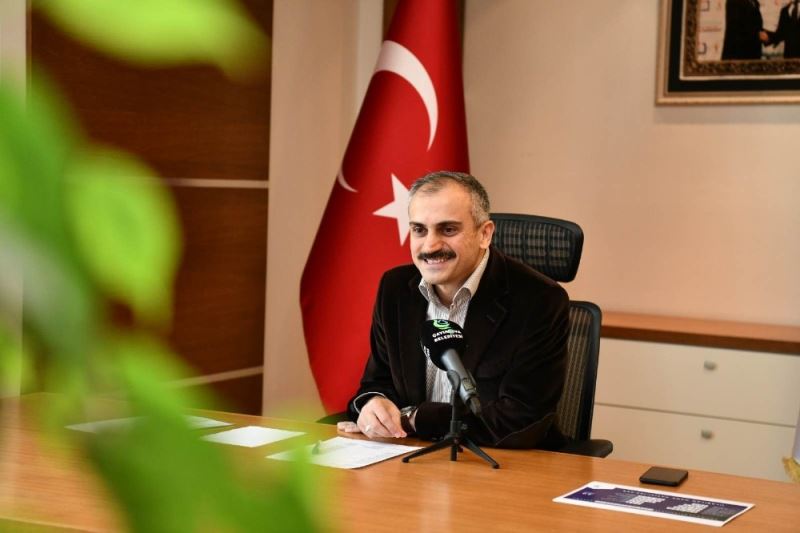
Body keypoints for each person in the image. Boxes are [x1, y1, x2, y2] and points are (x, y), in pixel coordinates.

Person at [340, 171, 569, 449]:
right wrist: (373, 404)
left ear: (484, 234)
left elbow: (519, 419)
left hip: (500, 461)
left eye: (448, 230)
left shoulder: (540, 300)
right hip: (407, 456)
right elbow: (377, 382)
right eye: (419, 230)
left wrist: (414, 419)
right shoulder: (395, 289)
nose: (430, 246)